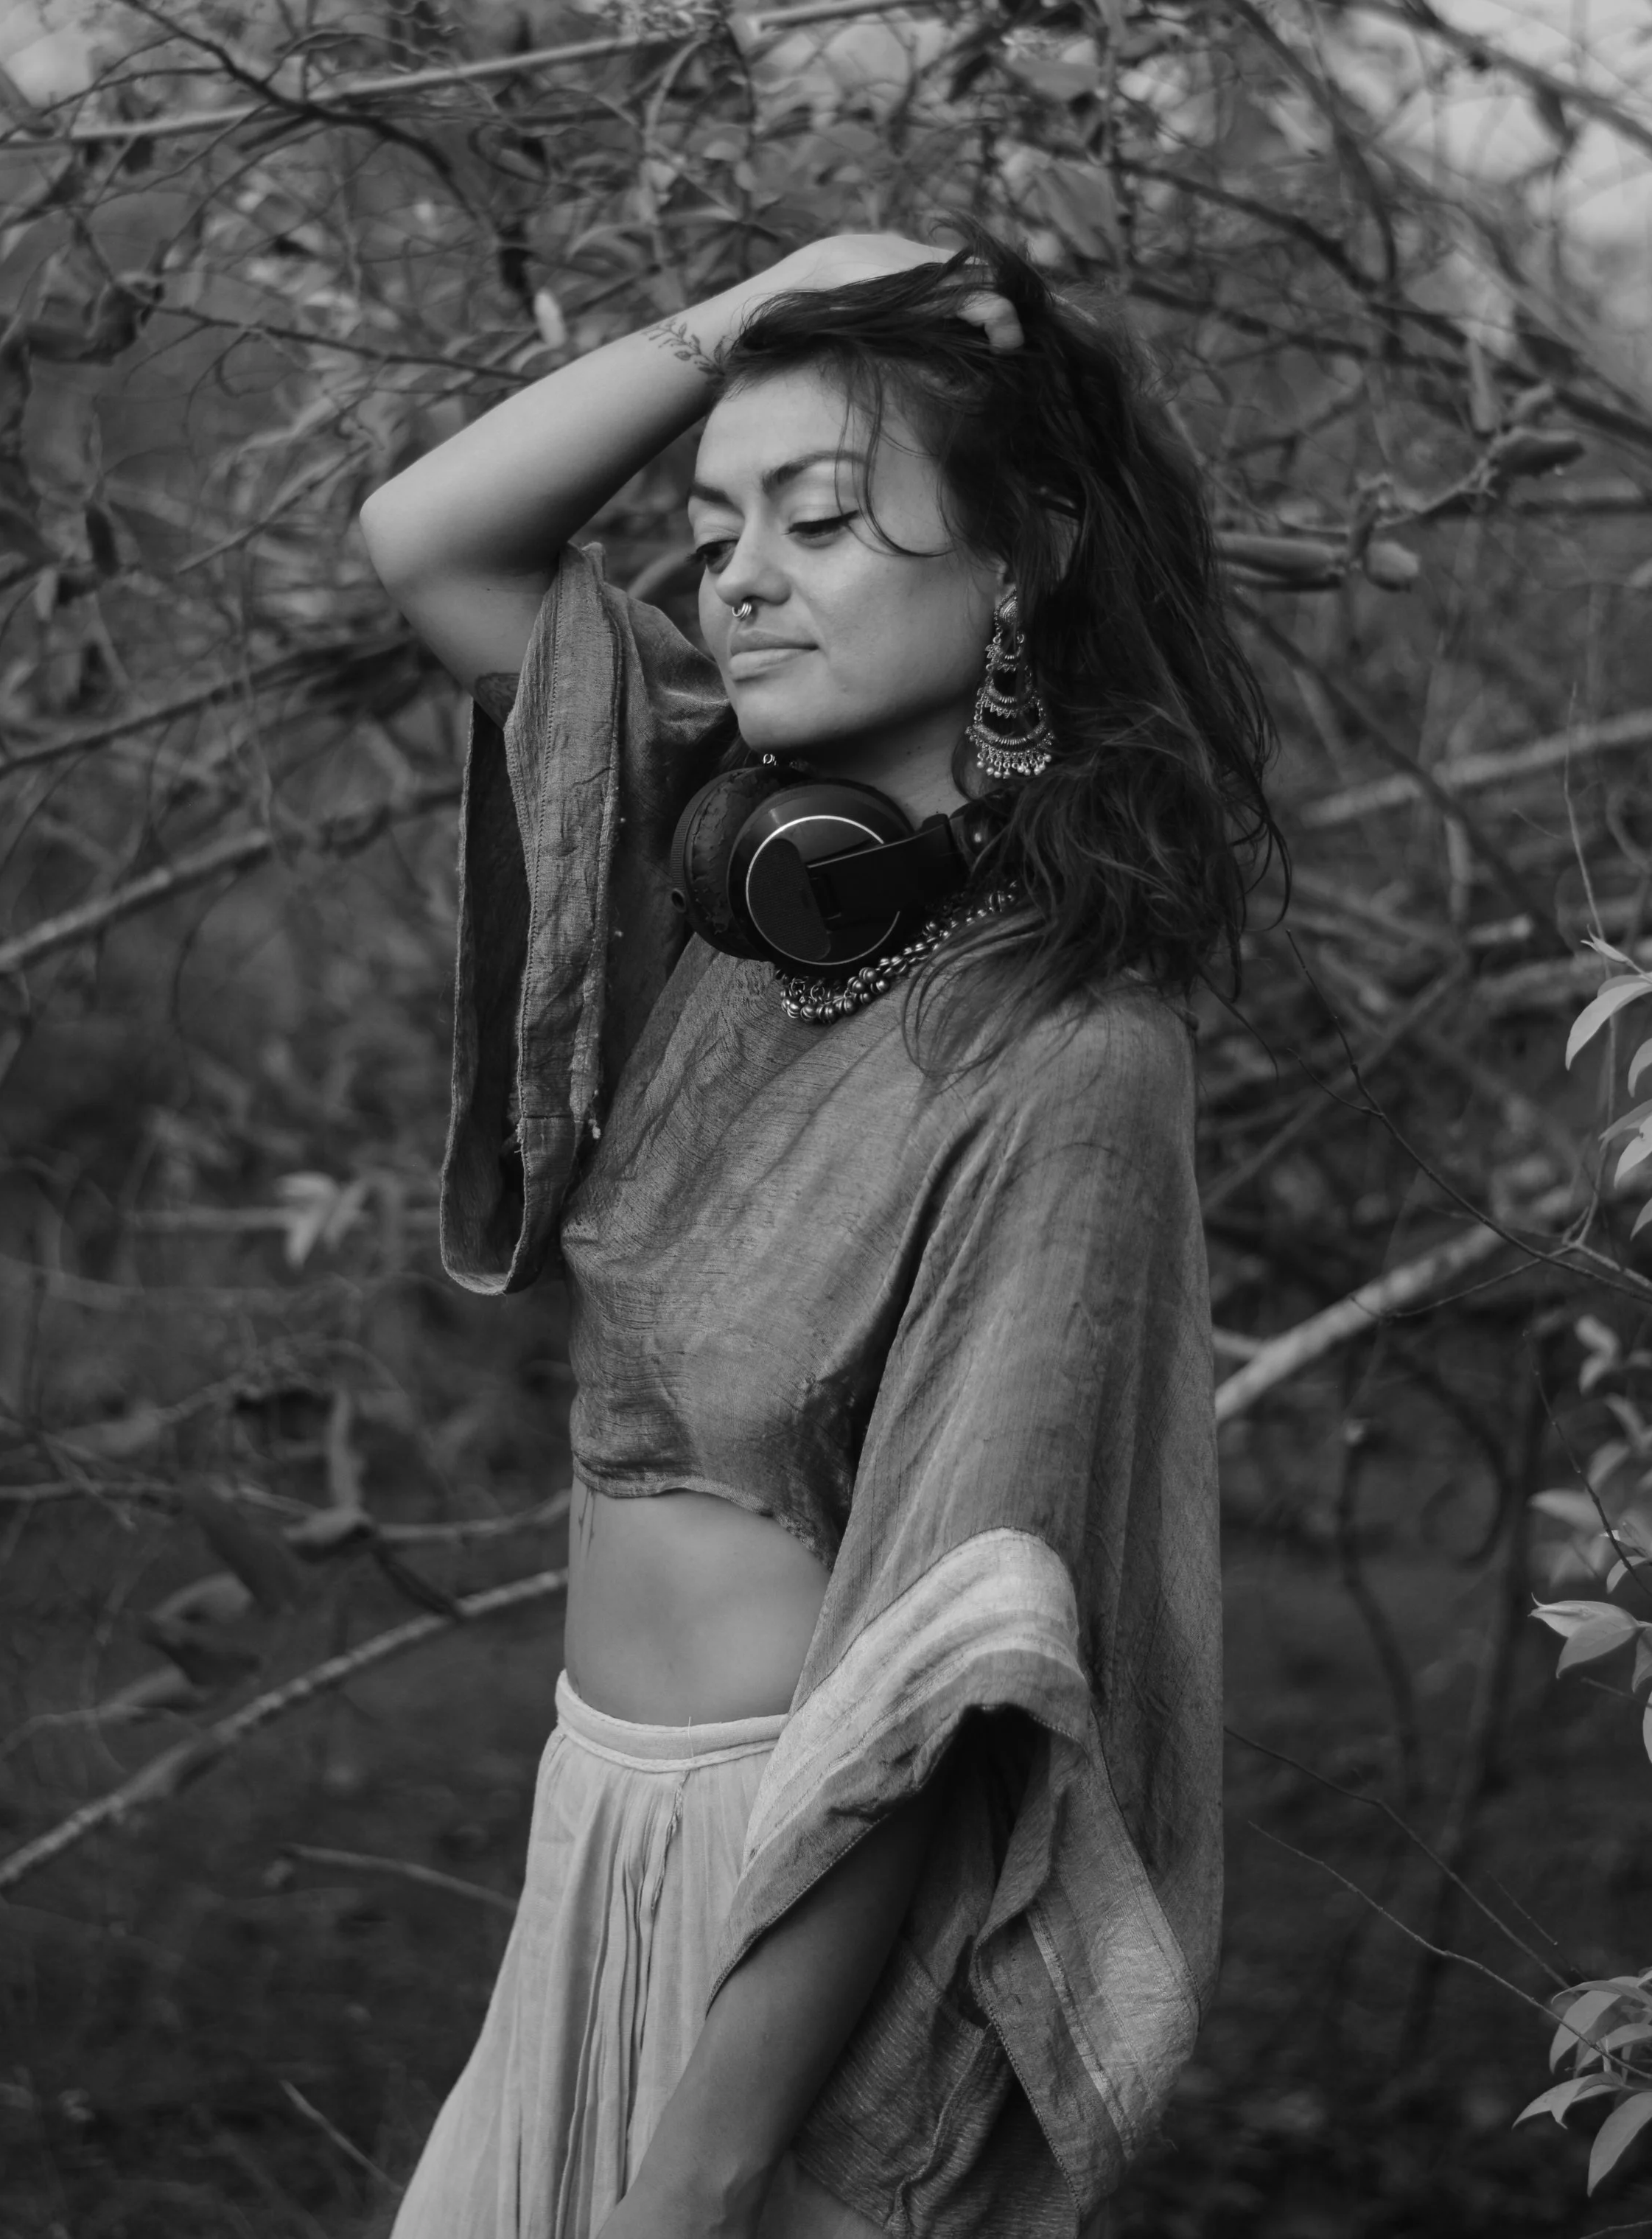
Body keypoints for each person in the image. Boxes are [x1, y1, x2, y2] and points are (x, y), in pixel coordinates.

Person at [357, 228, 1278, 2239]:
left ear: (1015, 564)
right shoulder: (714, 914)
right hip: (587, 1826)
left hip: (785, 1908)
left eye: (823, 515)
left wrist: (707, 2156)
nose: (735, 574)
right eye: (709, 524)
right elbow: (425, 532)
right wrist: (746, 310)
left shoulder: (1068, 1055)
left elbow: (950, 1668)